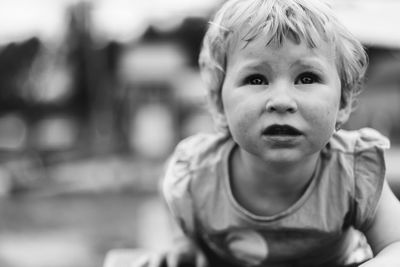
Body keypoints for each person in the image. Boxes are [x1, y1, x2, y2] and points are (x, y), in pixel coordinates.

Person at [160, 0, 400, 266]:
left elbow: (396, 244)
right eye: (256, 79)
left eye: (306, 78)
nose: (281, 100)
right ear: (218, 103)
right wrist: (183, 244)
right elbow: (174, 199)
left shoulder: (352, 170)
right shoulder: (199, 174)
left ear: (342, 102)